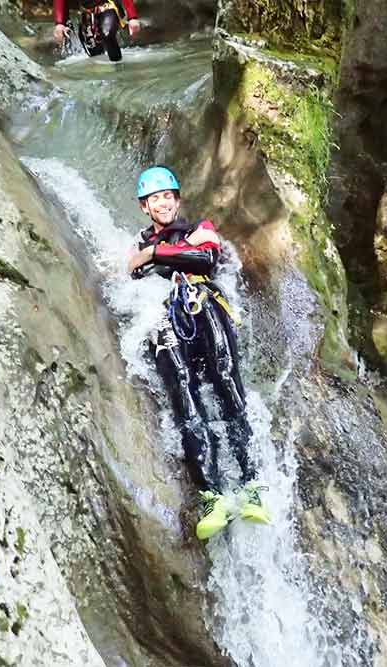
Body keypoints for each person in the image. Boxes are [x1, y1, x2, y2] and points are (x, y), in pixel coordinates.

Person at [127, 166, 272, 540]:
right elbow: (131, 274)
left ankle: (252, 488)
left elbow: (205, 259)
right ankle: (212, 496)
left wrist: (155, 253)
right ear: (145, 207)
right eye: (154, 199)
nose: (161, 203)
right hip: (167, 321)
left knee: (227, 388)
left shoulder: (199, 229)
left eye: (166, 197)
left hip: (205, 309)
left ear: (177, 200)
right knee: (184, 400)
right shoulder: (138, 244)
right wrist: (146, 257)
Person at [52, 0, 142, 62]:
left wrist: (132, 17)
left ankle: (120, 72)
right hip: (87, 14)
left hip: (107, 6)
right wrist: (60, 23)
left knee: (107, 35)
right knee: (95, 55)